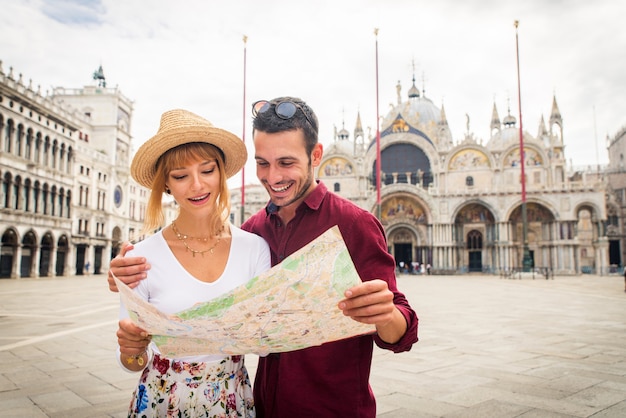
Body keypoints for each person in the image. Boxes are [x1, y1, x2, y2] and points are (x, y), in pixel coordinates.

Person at [108, 97, 419, 417]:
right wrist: (126, 281)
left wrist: (385, 313)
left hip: (331, 409)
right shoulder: (255, 232)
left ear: (316, 155)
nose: (272, 177)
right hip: (262, 406)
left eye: (286, 162)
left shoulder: (354, 224)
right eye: (262, 163)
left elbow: (401, 334)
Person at [115, 109, 270, 417]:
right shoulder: (138, 259)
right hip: (161, 402)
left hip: (232, 399)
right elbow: (133, 363)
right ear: (166, 185)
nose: (197, 185)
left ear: (221, 172)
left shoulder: (255, 249)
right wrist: (129, 350)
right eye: (181, 176)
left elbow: (264, 344)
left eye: (207, 170)